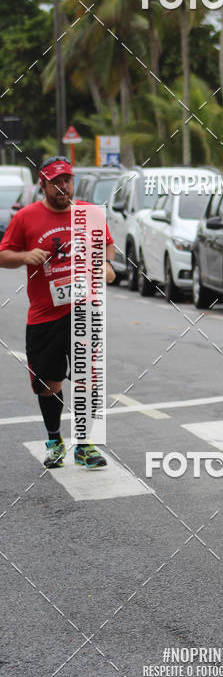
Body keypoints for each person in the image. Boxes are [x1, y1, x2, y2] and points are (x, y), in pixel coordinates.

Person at [0, 156, 116, 468]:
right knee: (48, 384)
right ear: (44, 185)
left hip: (84, 310)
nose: (63, 186)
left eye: (67, 180)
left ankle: (85, 445)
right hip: (44, 315)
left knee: (86, 379)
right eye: (56, 182)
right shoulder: (26, 217)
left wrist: (105, 264)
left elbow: (107, 245)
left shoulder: (91, 213)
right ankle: (54, 440)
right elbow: (3, 255)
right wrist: (26, 256)